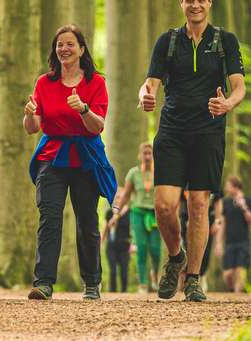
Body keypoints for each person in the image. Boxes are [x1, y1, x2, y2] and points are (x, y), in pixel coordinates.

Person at [138, 0, 246, 302]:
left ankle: (194, 279)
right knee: (164, 206)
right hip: (171, 130)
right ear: (181, 3)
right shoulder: (168, 41)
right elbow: (150, 83)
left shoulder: (224, 41)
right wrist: (146, 96)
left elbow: (239, 86)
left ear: (210, 3)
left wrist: (228, 103)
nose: (195, 5)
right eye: (189, 0)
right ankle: (176, 257)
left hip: (209, 132)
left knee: (199, 205)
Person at [25, 24, 117, 301]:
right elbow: (32, 127)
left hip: (85, 157)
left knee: (87, 220)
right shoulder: (44, 83)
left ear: (81, 49)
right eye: (59, 45)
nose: (64, 49)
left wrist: (84, 109)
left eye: (69, 44)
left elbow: (97, 126)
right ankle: (43, 283)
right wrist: (29, 114)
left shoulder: (95, 83)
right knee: (49, 217)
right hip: (52, 156)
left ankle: (91, 283)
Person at [109, 143, 161, 294]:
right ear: (140, 155)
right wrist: (117, 213)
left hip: (155, 215)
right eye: (144, 153)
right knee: (142, 247)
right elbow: (125, 195)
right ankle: (143, 284)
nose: (147, 156)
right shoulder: (133, 173)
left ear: (153, 155)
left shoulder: (159, 172)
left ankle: (155, 275)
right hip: (138, 213)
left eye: (150, 153)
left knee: (156, 249)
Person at [215, 175, 251, 293]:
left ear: (236, 186)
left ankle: (237, 296)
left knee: (240, 271)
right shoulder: (226, 202)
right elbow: (223, 224)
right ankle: (233, 291)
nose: (226, 188)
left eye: (228, 186)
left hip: (243, 242)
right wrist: (218, 243)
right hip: (229, 242)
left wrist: (244, 207)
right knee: (227, 274)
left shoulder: (248, 201)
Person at [102, 195, 131, 293]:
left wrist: (134, 244)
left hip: (125, 246)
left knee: (124, 272)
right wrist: (100, 241)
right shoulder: (109, 213)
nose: (118, 200)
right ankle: (112, 293)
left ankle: (124, 293)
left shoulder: (129, 213)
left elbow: (133, 229)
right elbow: (105, 228)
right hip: (111, 246)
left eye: (120, 198)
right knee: (113, 271)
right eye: (116, 198)